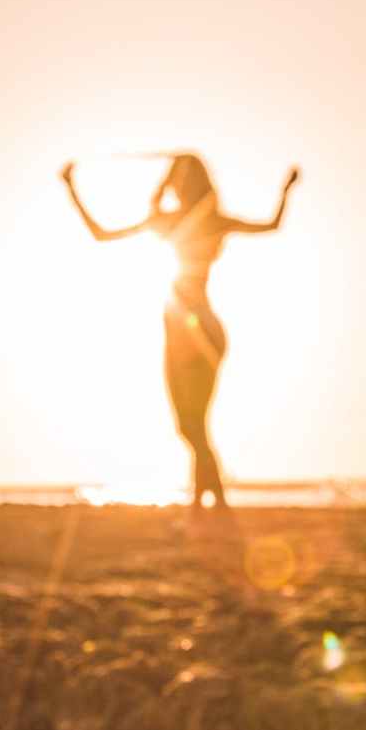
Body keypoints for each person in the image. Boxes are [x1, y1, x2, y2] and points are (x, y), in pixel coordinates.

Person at [60, 153, 299, 514]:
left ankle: (213, 502)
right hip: (195, 329)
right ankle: (203, 501)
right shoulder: (207, 219)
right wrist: (286, 190)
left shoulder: (172, 220)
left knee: (191, 425)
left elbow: (102, 234)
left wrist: (71, 187)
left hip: (191, 330)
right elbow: (272, 225)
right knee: (192, 424)